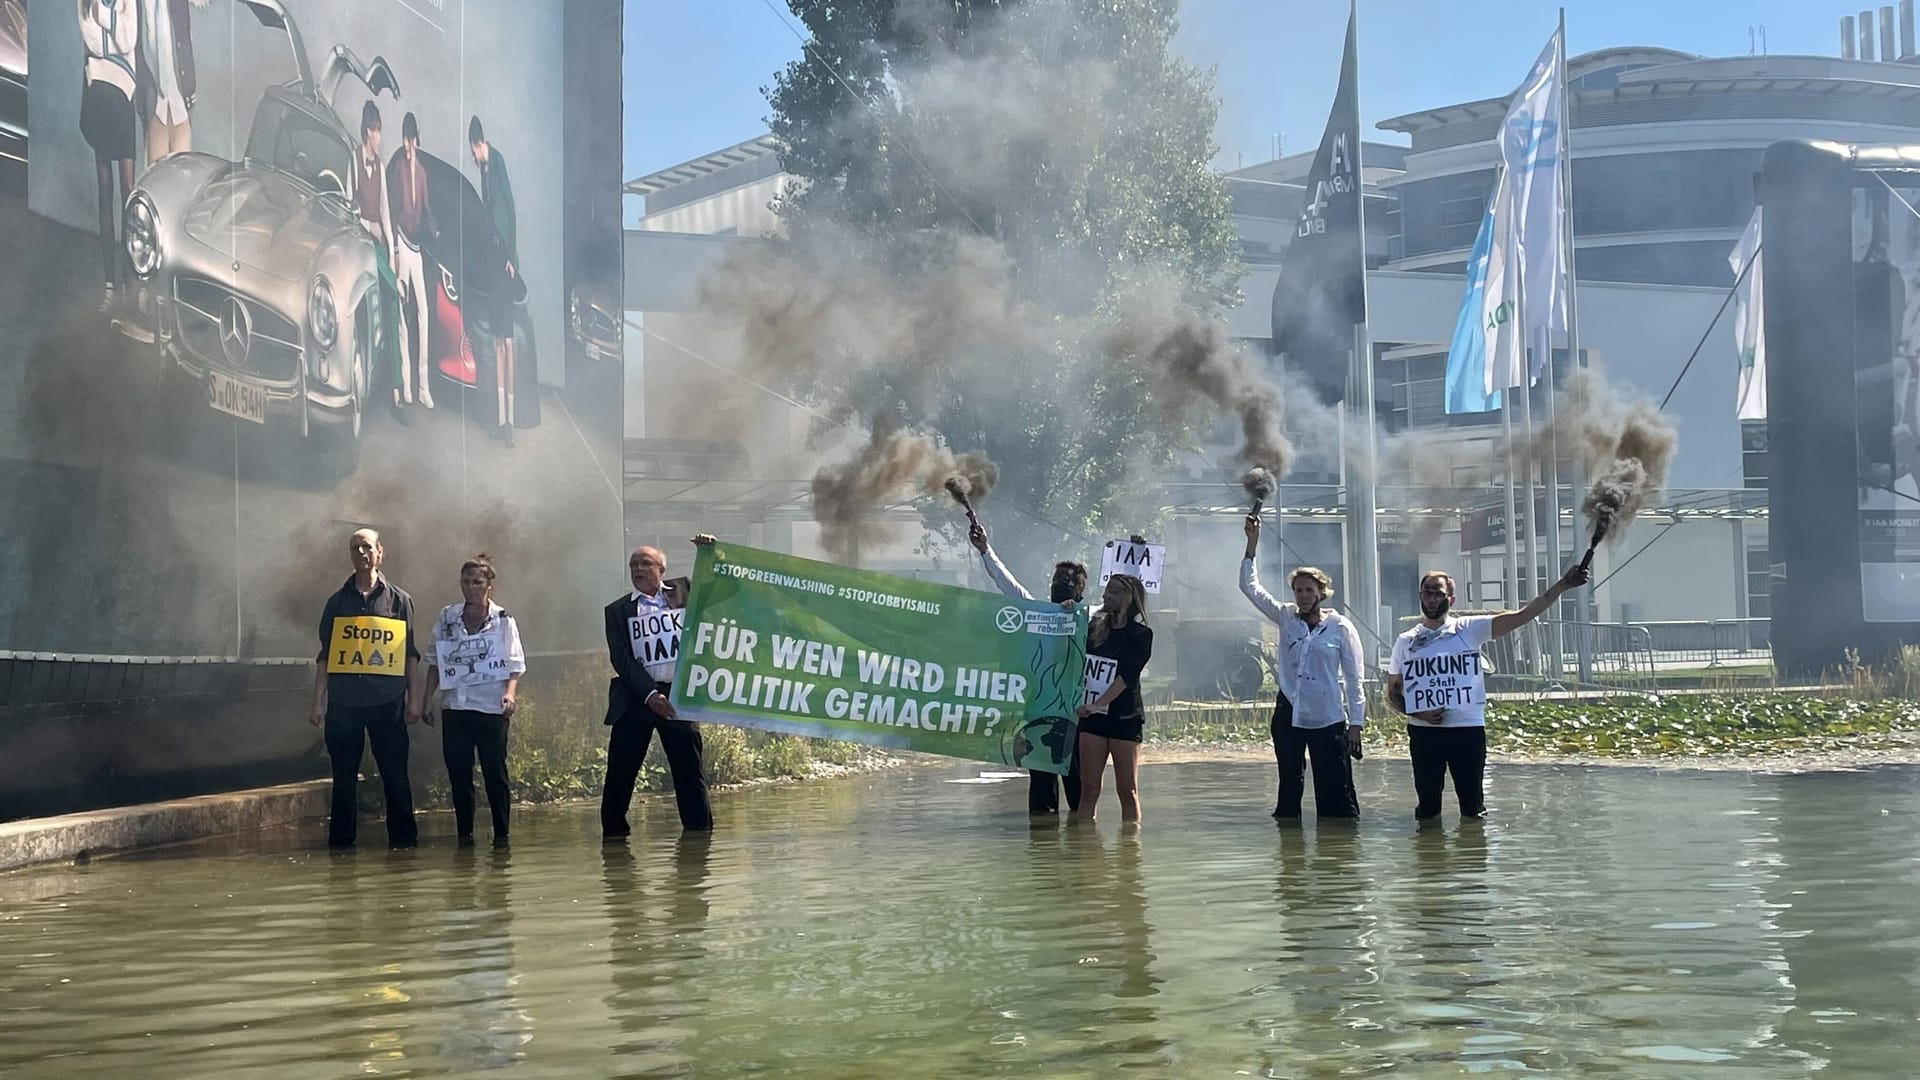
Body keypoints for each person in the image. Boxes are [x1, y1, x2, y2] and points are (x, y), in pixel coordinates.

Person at [1386, 564, 1590, 820]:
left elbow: (1522, 616)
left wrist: (1562, 585)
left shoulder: (1468, 628)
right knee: (1427, 808)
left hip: (1467, 730)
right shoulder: (1407, 640)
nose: (1431, 598)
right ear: (1420, 596)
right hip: (1425, 733)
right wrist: (1420, 713)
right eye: (1426, 592)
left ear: (1451, 598)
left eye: (1438, 592)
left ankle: (1472, 855)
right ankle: (1428, 856)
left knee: (1473, 808)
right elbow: (1393, 692)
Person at [1240, 515, 1365, 820]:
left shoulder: (1340, 627)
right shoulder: (1285, 616)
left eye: (1309, 590)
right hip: (1290, 712)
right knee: (1289, 787)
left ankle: (1337, 856)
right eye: (1298, 590)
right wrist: (1252, 544)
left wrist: (1356, 726)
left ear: (1321, 593)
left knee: (1335, 791)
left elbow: (1353, 678)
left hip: (1328, 716)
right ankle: (1290, 852)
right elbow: (1249, 587)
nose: (1303, 596)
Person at [309, 528, 423, 848]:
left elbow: (410, 654)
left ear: (380, 552)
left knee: (395, 777)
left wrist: (414, 699)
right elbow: (325, 656)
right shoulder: (336, 602)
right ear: (350, 555)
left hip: (388, 703)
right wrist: (317, 702)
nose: (361, 553)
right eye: (355, 548)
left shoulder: (400, 600)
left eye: (367, 547)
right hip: (344, 705)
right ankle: (342, 850)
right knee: (343, 781)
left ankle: (404, 847)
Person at [968, 521, 1088, 815]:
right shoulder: (1033, 612)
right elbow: (1005, 582)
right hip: (1038, 714)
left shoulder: (1090, 619)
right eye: (1058, 580)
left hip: (1075, 716)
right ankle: (1044, 853)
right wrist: (985, 550)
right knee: (1042, 797)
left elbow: (1127, 607)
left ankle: (1081, 853)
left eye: (1069, 581)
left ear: (1081, 590)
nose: (1061, 585)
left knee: (1080, 793)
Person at [600, 537, 716, 837]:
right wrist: (650, 695)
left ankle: (698, 839)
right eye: (633, 565)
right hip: (636, 699)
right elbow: (621, 658)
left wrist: (709, 552)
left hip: (679, 699)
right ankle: (613, 844)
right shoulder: (617, 610)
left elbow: (717, 591)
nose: (638, 568)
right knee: (619, 776)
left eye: (645, 563)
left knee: (690, 774)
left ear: (661, 569)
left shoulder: (684, 591)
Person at [423, 554, 525, 846]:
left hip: (491, 707)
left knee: (495, 772)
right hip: (455, 705)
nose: (471, 587)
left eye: (477, 582)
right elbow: (434, 662)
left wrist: (509, 694)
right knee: (459, 774)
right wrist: (427, 698)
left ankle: (502, 835)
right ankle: (465, 835)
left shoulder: (504, 620)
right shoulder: (447, 618)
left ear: (489, 586)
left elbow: (514, 664)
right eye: (466, 582)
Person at [1075, 573, 1153, 825]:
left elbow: (1125, 677)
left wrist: (1099, 703)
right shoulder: (1093, 629)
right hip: (1092, 719)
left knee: (1127, 790)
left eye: (1116, 591)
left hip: (1124, 718)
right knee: (1089, 790)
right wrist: (1067, 612)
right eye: (1108, 590)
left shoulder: (1141, 634)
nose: (1108, 595)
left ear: (1130, 598)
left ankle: (1130, 853)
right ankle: (1085, 851)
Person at [79, 0, 139, 312]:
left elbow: (129, 40)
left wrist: (102, 15)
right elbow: (94, 42)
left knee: (129, 193)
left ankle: (132, 282)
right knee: (105, 191)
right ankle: (110, 286)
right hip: (99, 95)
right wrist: (114, 27)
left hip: (122, 96)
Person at [349, 101, 406, 422]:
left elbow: (385, 211)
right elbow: (346, 204)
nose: (380, 137)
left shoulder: (381, 166)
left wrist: (393, 250)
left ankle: (396, 393)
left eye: (380, 131)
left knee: (392, 311)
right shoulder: (353, 161)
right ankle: (395, 283)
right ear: (367, 132)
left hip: (380, 246)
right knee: (390, 288)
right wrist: (365, 226)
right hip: (359, 244)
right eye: (377, 131)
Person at [469, 116, 519, 446]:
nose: (474, 159)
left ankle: (511, 421)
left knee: (508, 343)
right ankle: (502, 420)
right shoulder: (485, 172)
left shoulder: (496, 162)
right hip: (493, 264)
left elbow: (510, 211)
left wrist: (512, 258)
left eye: (474, 152)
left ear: (479, 145)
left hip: (505, 264)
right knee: (499, 342)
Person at [387, 112, 438, 413]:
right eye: (405, 139)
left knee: (424, 313)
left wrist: (435, 225)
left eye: (411, 139)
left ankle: (423, 387)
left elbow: (427, 207)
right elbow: (393, 208)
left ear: (416, 139)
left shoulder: (421, 173)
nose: (408, 145)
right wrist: (394, 250)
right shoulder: (398, 169)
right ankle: (405, 384)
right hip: (401, 245)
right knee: (402, 315)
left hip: (417, 247)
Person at [136, 0, 198, 165]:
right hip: (153, 103)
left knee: (183, 177)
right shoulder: (135, 5)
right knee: (154, 179)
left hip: (181, 100)